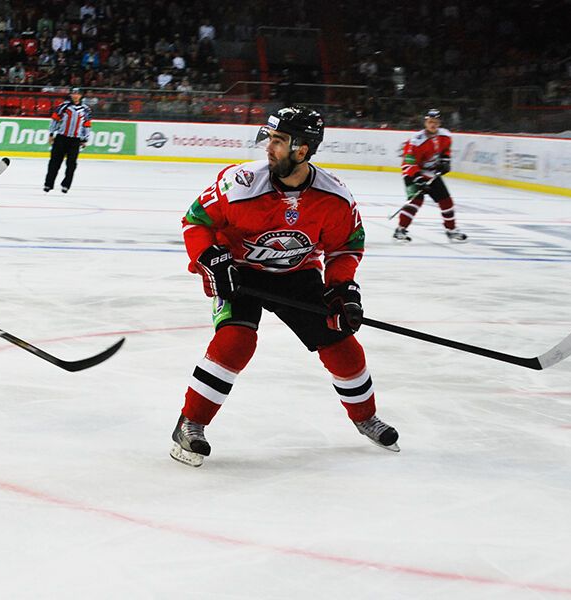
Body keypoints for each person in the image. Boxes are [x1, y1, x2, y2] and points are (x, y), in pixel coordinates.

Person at [170, 105, 399, 467]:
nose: (268, 146)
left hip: (297, 274)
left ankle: (365, 418)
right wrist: (211, 258)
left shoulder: (335, 197)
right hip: (240, 271)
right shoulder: (240, 183)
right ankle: (190, 424)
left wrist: (342, 288)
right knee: (236, 341)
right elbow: (194, 221)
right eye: (270, 138)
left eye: (279, 140)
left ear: (302, 149)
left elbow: (345, 247)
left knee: (342, 346)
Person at [393, 109, 467, 243]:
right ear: (425, 123)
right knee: (415, 202)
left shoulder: (445, 136)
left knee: (446, 202)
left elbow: (445, 151)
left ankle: (451, 230)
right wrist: (418, 179)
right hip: (412, 173)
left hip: (431, 173)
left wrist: (445, 161)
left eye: (435, 122)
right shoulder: (416, 141)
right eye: (430, 122)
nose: (433, 124)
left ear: (439, 123)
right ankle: (400, 230)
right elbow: (408, 164)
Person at [43, 87, 92, 194]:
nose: (75, 96)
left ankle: (66, 185)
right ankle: (48, 184)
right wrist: (51, 133)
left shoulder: (86, 110)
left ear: (81, 95)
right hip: (61, 137)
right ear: (70, 95)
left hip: (75, 140)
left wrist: (85, 139)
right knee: (54, 162)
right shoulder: (63, 106)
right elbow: (55, 120)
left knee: (71, 164)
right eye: (73, 93)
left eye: (77, 94)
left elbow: (87, 125)